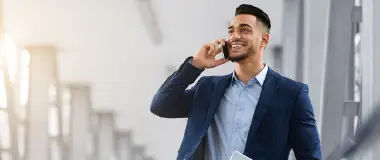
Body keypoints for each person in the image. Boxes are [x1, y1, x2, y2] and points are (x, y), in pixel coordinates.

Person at [150, 4, 321, 160]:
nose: (234, 36)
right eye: (231, 31)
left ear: (264, 39)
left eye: (245, 30)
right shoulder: (207, 88)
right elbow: (161, 105)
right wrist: (195, 65)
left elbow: (310, 156)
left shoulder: (291, 94)